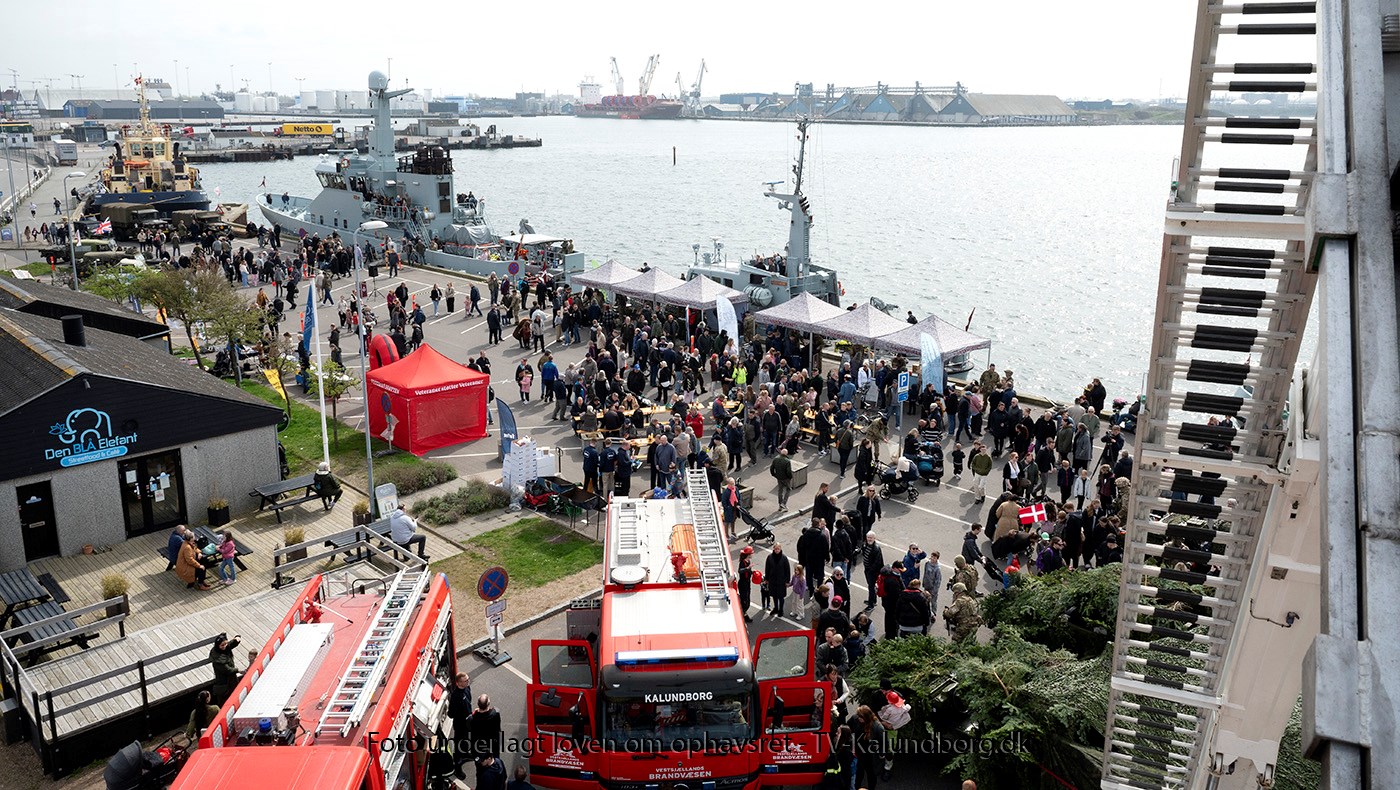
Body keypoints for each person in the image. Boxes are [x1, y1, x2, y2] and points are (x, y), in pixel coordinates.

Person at [448, 673, 474, 774]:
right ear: (458, 683)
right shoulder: (456, 696)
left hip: (467, 722)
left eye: (468, 679)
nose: (468, 682)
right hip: (460, 724)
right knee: (459, 741)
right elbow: (451, 713)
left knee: (466, 739)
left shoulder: (467, 688)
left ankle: (465, 753)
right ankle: (457, 763)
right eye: (465, 681)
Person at [209, 633, 242, 699]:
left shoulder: (224, 647)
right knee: (225, 697)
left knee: (235, 693)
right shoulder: (217, 658)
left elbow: (230, 644)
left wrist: (237, 639)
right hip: (223, 681)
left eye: (225, 644)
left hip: (232, 678)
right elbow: (227, 670)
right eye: (222, 645)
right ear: (218, 645)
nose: (224, 646)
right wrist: (238, 670)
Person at [764, 543, 792, 617]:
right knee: (774, 596)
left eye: (778, 549)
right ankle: (776, 608)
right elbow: (767, 569)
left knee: (781, 597)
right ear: (773, 548)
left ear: (780, 549)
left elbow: (787, 570)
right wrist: (766, 579)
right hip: (772, 581)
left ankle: (781, 610)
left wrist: (787, 581)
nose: (777, 550)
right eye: (775, 549)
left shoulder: (784, 558)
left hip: (781, 581)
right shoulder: (769, 557)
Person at [862, 533, 884, 609]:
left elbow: (877, 562)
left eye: (871, 537)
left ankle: (871, 604)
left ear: (874, 538)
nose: (869, 539)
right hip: (867, 569)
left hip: (872, 572)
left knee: (871, 587)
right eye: (868, 537)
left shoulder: (876, 548)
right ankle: (873, 601)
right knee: (871, 586)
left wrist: (870, 571)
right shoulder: (865, 544)